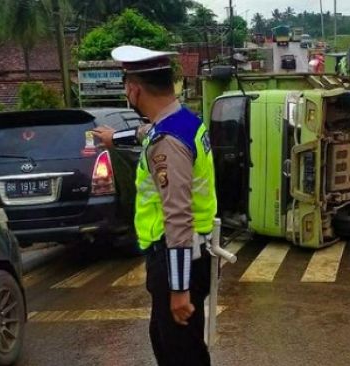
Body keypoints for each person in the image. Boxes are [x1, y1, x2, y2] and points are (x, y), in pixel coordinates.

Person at [92, 45, 217, 366]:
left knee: (180, 354)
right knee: (168, 342)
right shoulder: (184, 120)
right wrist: (113, 138)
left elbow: (178, 217)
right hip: (190, 255)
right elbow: (147, 133)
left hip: (177, 257)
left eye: (126, 86)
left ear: (134, 89)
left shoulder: (168, 144)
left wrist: (179, 289)